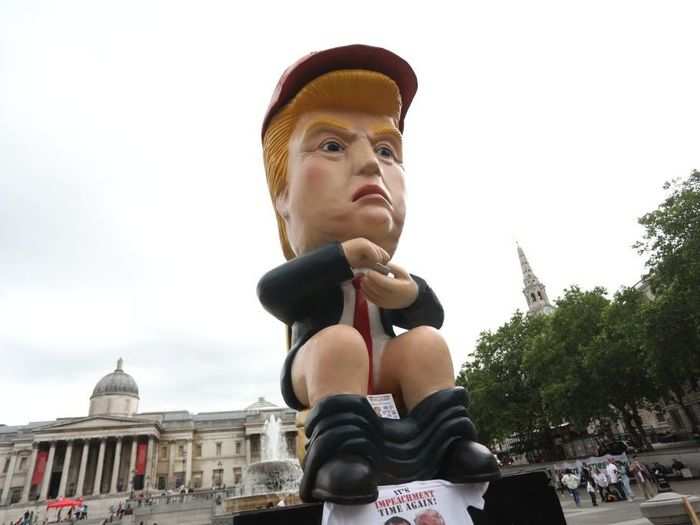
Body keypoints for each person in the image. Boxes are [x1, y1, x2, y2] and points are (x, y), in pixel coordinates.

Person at [257, 44, 500, 504]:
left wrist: (409, 295)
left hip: (386, 366)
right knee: (339, 343)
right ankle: (339, 457)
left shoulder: (390, 268)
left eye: (387, 149)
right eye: (332, 145)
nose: (371, 162)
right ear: (283, 198)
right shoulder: (311, 271)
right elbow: (273, 293)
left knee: (426, 341)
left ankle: (452, 444)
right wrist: (340, 258)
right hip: (317, 368)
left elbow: (434, 314)